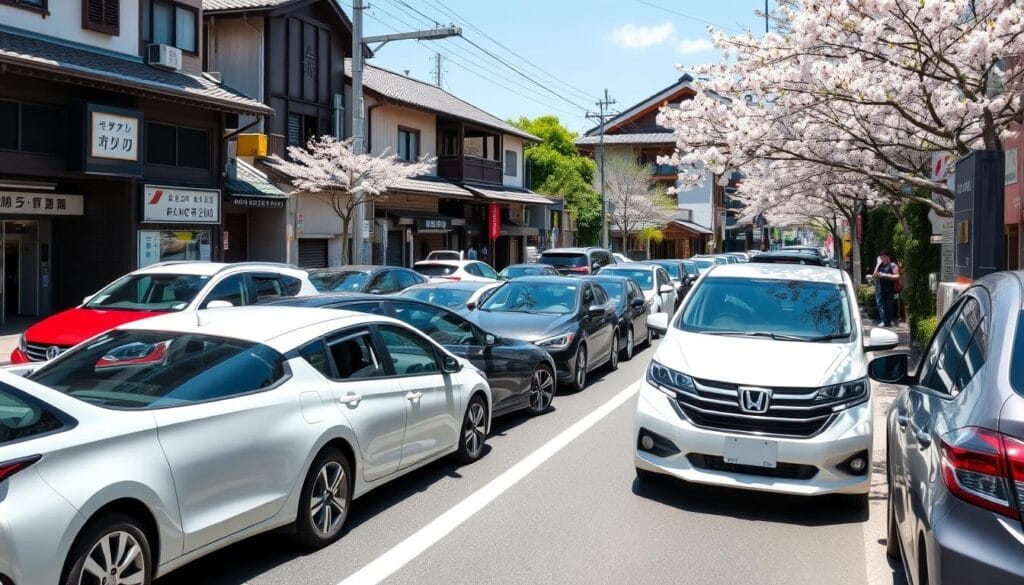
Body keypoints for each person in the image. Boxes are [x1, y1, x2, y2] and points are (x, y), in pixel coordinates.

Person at [872, 250, 900, 327]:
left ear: (888, 257)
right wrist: (877, 264)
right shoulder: (879, 266)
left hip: (889, 290)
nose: (882, 259)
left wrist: (884, 275)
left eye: (883, 257)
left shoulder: (892, 265)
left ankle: (887, 322)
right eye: (881, 257)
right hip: (879, 289)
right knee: (880, 305)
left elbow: (897, 276)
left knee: (889, 306)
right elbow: (874, 276)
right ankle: (883, 321)